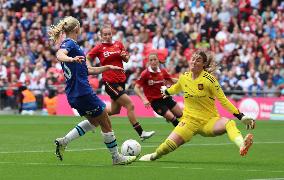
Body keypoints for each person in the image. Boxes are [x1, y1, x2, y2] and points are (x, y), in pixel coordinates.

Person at [48, 16, 136, 165]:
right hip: (83, 92)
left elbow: (88, 70)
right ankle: (116, 157)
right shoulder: (70, 44)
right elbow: (59, 54)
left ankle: (64, 141)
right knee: (105, 121)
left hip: (73, 95)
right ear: (77, 29)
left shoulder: (73, 46)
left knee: (94, 121)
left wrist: (107, 67)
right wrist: (71, 59)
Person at [139, 50, 256, 161]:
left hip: (208, 121)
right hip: (189, 121)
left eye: (198, 60)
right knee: (166, 147)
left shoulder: (210, 80)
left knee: (229, 123)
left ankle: (242, 145)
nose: (194, 62)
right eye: (193, 59)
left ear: (204, 64)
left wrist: (241, 116)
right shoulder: (184, 77)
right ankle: (153, 156)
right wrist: (167, 91)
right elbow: (176, 88)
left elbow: (223, 100)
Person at [86, 24, 155, 141]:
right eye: (105, 34)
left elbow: (126, 59)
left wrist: (125, 56)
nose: (108, 36)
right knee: (130, 104)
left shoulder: (118, 44)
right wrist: (89, 67)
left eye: (109, 34)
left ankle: (92, 117)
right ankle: (141, 132)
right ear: (101, 36)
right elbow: (88, 56)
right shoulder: (99, 48)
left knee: (114, 110)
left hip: (121, 80)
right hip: (110, 82)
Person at [134, 53, 182, 127]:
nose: (153, 61)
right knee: (173, 118)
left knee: (180, 114)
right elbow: (136, 88)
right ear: (149, 62)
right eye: (151, 60)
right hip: (155, 102)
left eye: (155, 59)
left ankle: (170, 118)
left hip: (165, 97)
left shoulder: (162, 71)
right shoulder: (145, 74)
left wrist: (183, 81)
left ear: (158, 61)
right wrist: (144, 99)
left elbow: (171, 80)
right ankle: (181, 133)